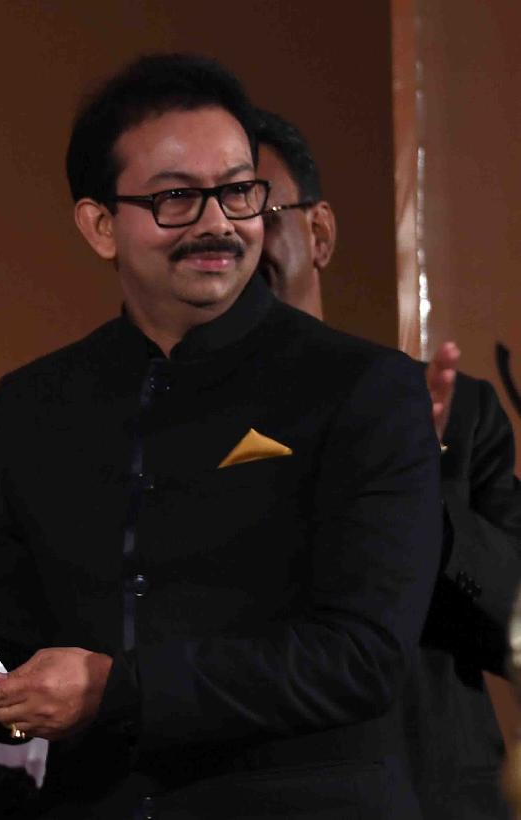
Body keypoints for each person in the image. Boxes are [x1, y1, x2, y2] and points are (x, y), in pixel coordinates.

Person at [0, 53, 442, 817]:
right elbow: (22, 652)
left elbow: (363, 657)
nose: (218, 222)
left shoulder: (363, 387)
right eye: (177, 198)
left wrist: (120, 689)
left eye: (238, 191)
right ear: (99, 226)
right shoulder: (34, 404)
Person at [256, 106, 521, 819]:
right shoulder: (158, 429)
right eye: (211, 216)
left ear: (319, 233)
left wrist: (415, 485)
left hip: (421, 794)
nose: (235, 238)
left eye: (260, 211)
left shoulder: (454, 413)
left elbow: (511, 621)